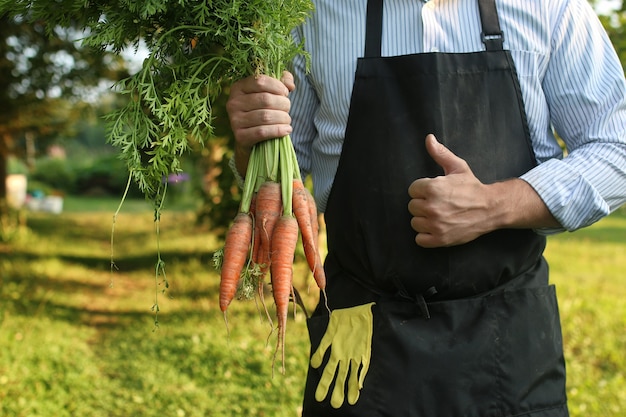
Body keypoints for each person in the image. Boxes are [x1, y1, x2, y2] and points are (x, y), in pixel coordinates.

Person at [226, 0, 626, 416]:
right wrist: (250, 140)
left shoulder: (549, 6)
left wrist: (495, 205)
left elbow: (617, 147)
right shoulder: (311, 14)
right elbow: (280, 171)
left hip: (509, 346)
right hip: (361, 346)